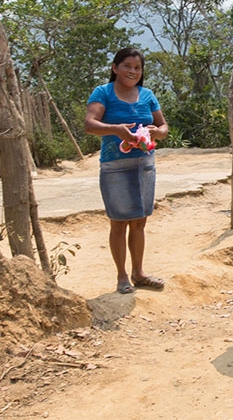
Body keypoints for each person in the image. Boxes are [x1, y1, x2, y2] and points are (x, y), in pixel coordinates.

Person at [85, 47, 169, 295]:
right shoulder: (103, 93)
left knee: (140, 221)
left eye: (137, 68)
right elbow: (90, 125)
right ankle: (122, 277)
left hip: (144, 165)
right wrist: (116, 130)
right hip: (115, 166)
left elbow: (163, 126)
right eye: (127, 66)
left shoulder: (147, 95)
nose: (133, 71)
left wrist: (157, 132)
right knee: (119, 223)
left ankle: (139, 273)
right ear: (115, 68)